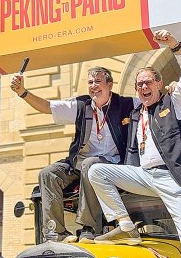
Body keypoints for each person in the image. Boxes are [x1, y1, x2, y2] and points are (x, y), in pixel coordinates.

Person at [88, 29, 181, 258]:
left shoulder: (174, 102)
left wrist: (175, 46)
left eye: (148, 83)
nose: (144, 87)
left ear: (159, 84)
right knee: (98, 172)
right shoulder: (136, 114)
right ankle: (124, 225)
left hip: (173, 177)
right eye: (139, 84)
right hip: (144, 176)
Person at [10, 65, 138, 242]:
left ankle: (89, 227)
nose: (93, 85)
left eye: (98, 81)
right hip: (78, 164)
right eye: (90, 82)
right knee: (47, 174)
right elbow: (47, 106)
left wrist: (172, 90)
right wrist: (22, 92)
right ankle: (55, 232)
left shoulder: (127, 104)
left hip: (112, 165)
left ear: (110, 84)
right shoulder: (81, 105)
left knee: (91, 163)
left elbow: (154, 101)